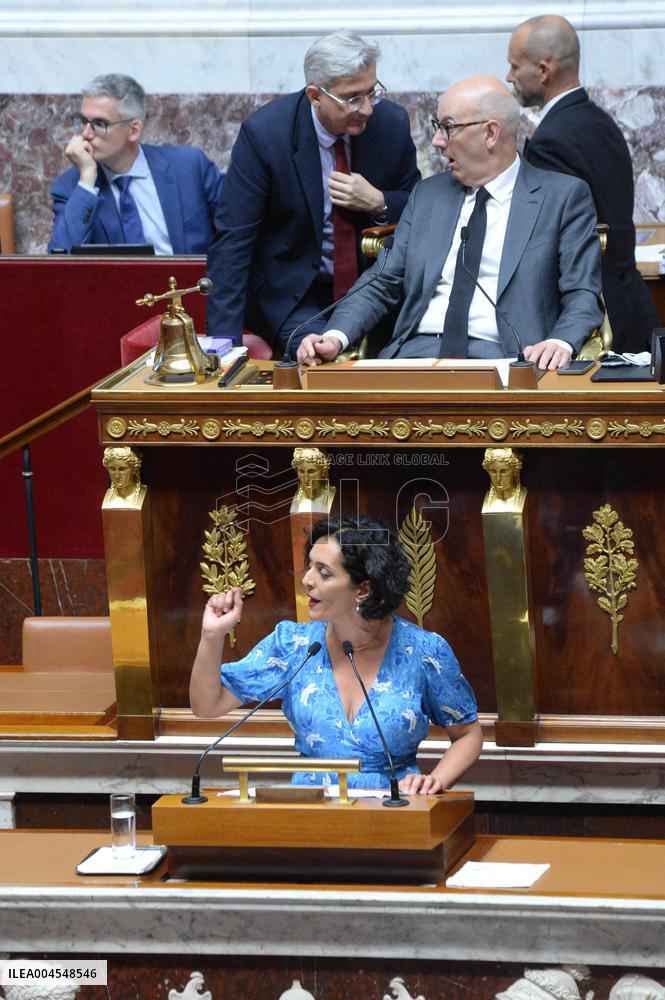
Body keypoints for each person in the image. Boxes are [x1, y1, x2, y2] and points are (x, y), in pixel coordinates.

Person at [297, 76, 603, 372]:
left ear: (490, 133)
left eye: (448, 127)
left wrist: (558, 343)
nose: (437, 141)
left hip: (510, 358)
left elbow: (582, 293)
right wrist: (334, 337)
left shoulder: (562, 197)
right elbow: (381, 281)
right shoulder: (428, 196)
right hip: (415, 357)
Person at [190, 514, 482, 793]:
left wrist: (434, 782)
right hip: (313, 812)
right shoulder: (293, 645)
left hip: (394, 810)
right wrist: (211, 635)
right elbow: (207, 706)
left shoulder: (424, 651)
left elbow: (468, 735)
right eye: (309, 566)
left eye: (324, 572)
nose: (307, 580)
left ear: (363, 589)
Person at [205, 32, 420, 355]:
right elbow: (233, 241)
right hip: (294, 293)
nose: (367, 109)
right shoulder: (266, 135)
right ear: (315, 95)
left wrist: (380, 202)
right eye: (352, 98)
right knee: (323, 356)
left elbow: (421, 207)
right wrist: (224, 350)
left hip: (375, 288)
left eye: (371, 92)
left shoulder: (391, 124)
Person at [506, 15, 659, 354]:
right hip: (629, 303)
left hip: (594, 321)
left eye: (515, 66)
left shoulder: (551, 141)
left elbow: (549, 242)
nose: (509, 77)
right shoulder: (601, 121)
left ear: (543, 70)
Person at [49, 73, 224, 254]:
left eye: (99, 123)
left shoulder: (189, 167)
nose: (85, 134)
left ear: (133, 130)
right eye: (83, 121)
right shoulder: (73, 187)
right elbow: (61, 260)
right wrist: (87, 180)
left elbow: (236, 227)